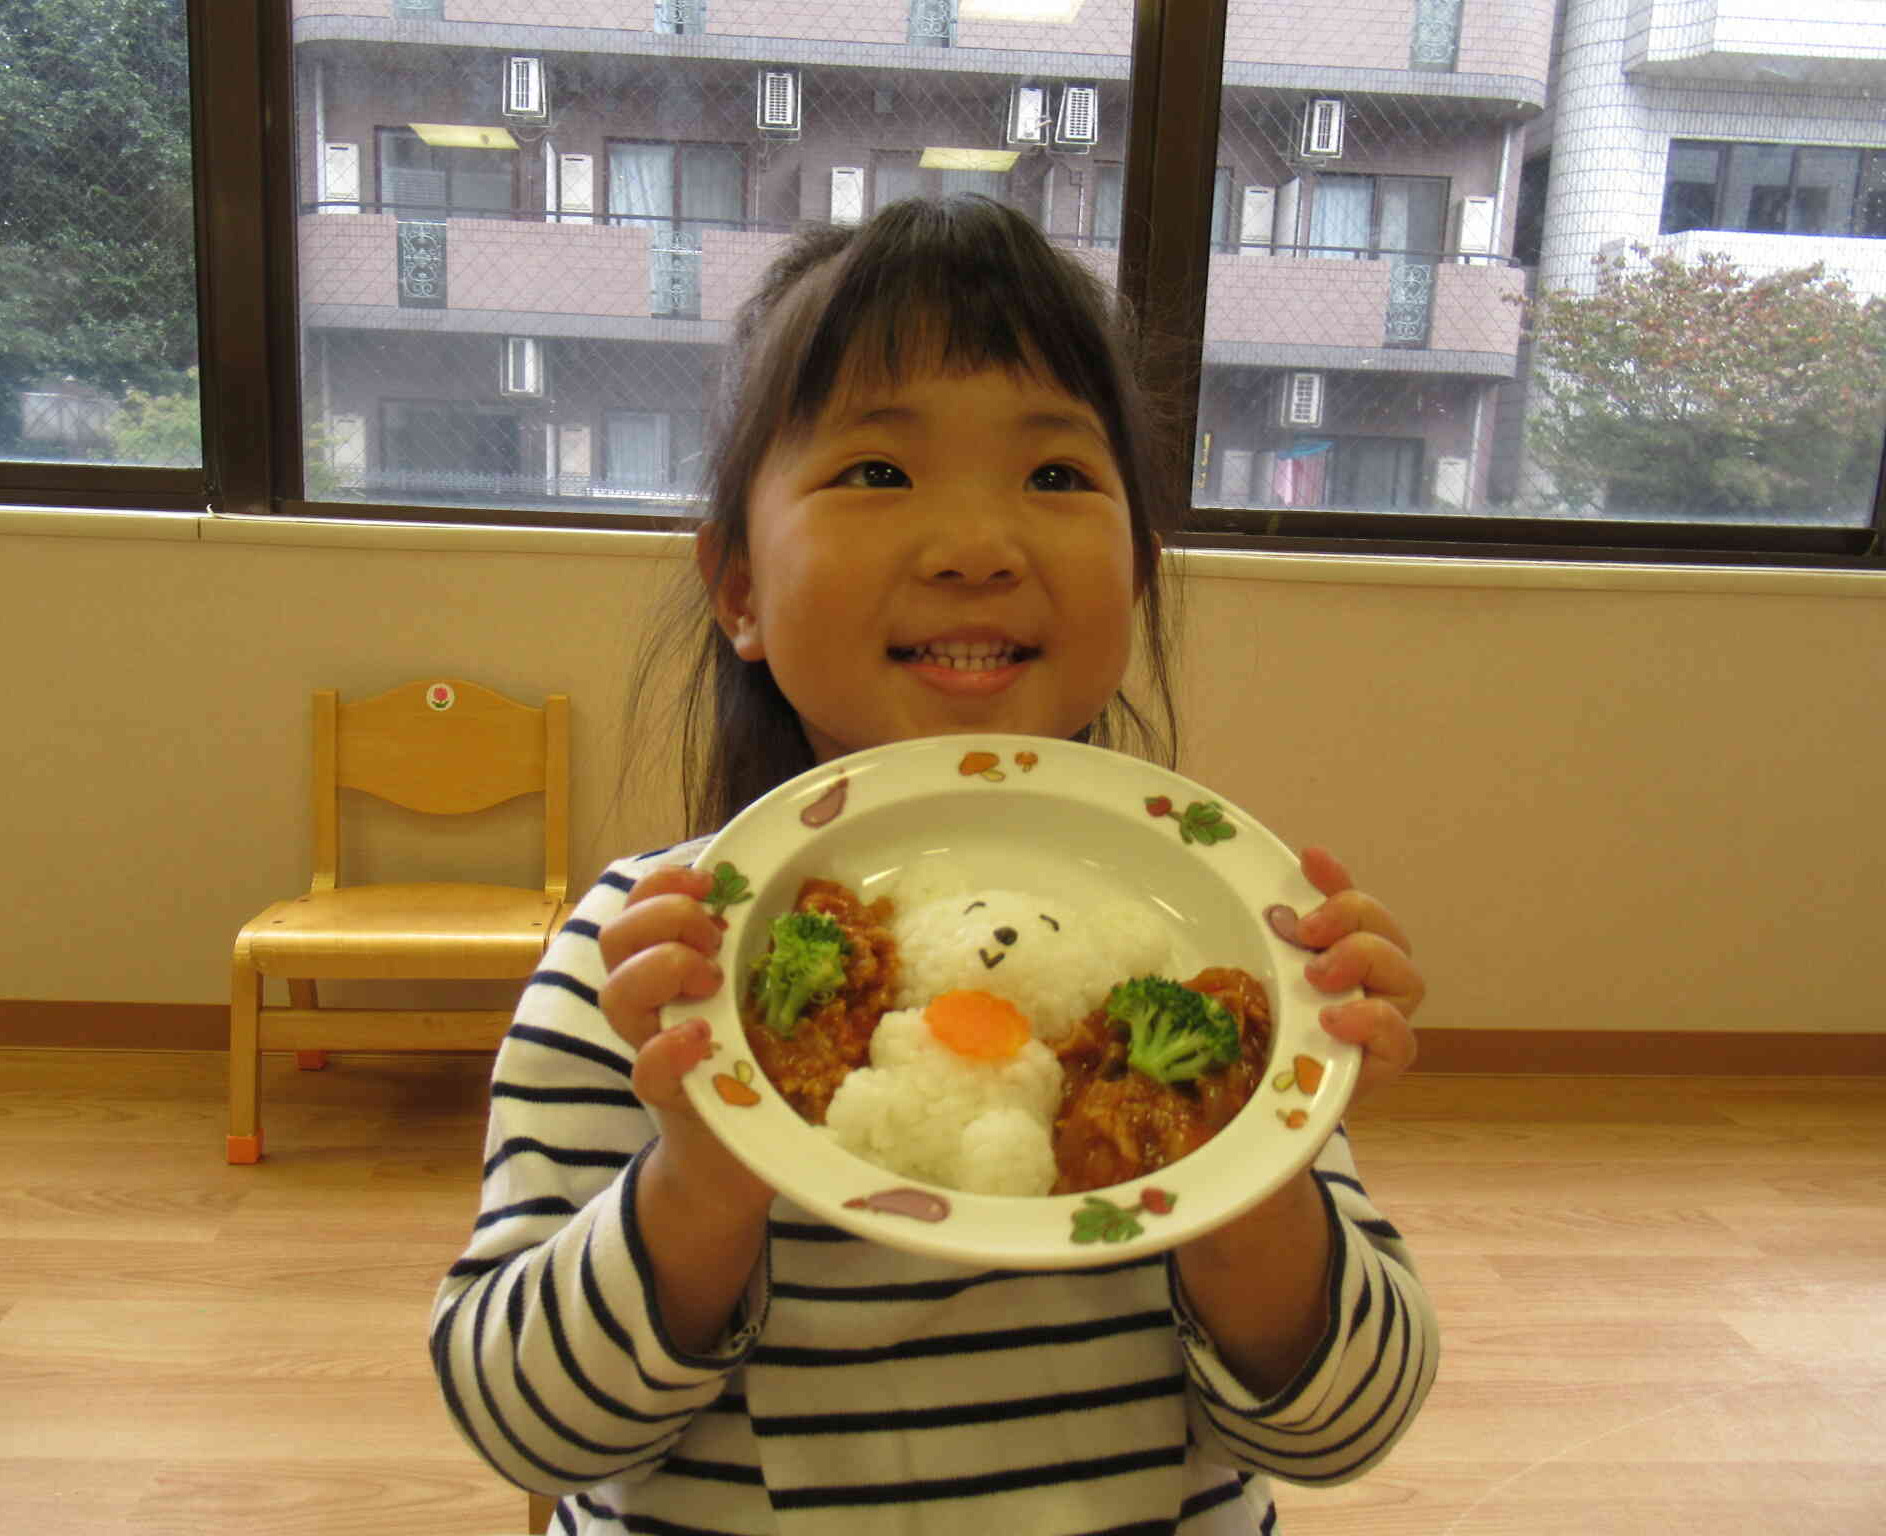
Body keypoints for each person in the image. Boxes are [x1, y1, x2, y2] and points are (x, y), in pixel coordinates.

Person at [431, 197, 1436, 1535]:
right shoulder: (645, 954)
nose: (978, 545)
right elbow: (519, 1419)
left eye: (1059, 477)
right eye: (879, 473)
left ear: (1136, 577)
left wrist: (1253, 1144)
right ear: (737, 588)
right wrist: (707, 1171)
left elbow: (1343, 1428)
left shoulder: (1218, 954)